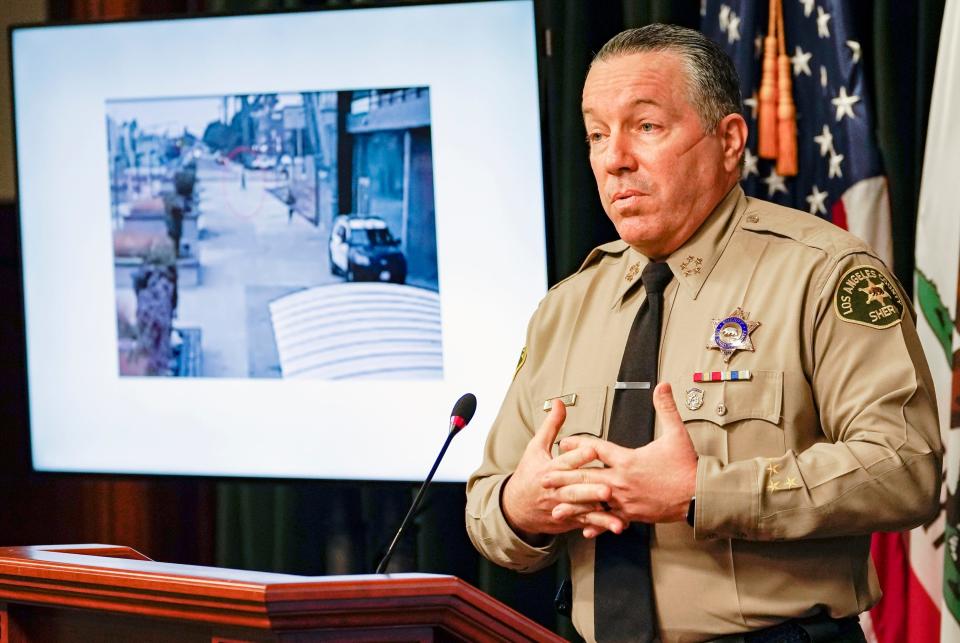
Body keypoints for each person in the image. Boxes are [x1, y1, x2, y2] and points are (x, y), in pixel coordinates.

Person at [465, 24, 942, 643]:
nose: (615, 158)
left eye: (646, 127)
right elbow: (486, 506)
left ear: (728, 140)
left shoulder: (823, 275)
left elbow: (905, 468)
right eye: (597, 135)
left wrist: (702, 491)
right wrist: (519, 508)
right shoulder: (566, 306)